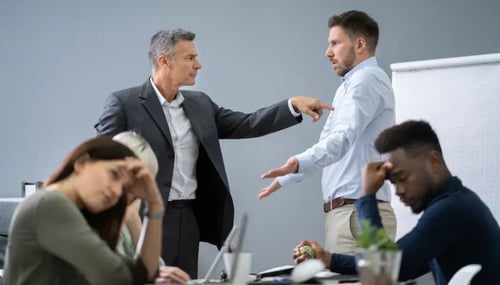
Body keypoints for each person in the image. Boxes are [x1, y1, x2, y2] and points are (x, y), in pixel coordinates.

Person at [94, 28, 333, 277]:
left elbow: (247, 123)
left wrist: (291, 106)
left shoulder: (201, 104)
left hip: (189, 220)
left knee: (184, 281)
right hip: (143, 221)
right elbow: (100, 162)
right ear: (164, 60)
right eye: (190, 58)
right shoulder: (124, 104)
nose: (198, 64)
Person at [293, 120, 500, 285]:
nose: (398, 190)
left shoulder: (451, 210)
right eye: (392, 182)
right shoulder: (457, 204)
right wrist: (329, 260)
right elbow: (399, 264)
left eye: (402, 177)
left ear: (434, 161)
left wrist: (366, 197)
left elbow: (384, 271)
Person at [259, 10, 397, 255]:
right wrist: (287, 176)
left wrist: (297, 163)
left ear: (360, 44)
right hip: (349, 216)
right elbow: (330, 144)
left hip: (357, 216)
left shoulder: (366, 80)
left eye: (335, 43)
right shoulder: (349, 86)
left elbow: (341, 139)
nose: (328, 52)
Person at [2, 136, 165, 285]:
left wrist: (154, 204)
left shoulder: (81, 215)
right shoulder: (50, 204)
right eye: (113, 174)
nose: (117, 191)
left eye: (124, 188)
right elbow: (115, 278)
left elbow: (145, 273)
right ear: (82, 163)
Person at [113, 131, 191, 284]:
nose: (139, 195)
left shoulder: (126, 216)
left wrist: (134, 220)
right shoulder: (97, 218)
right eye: (134, 184)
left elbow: (154, 271)